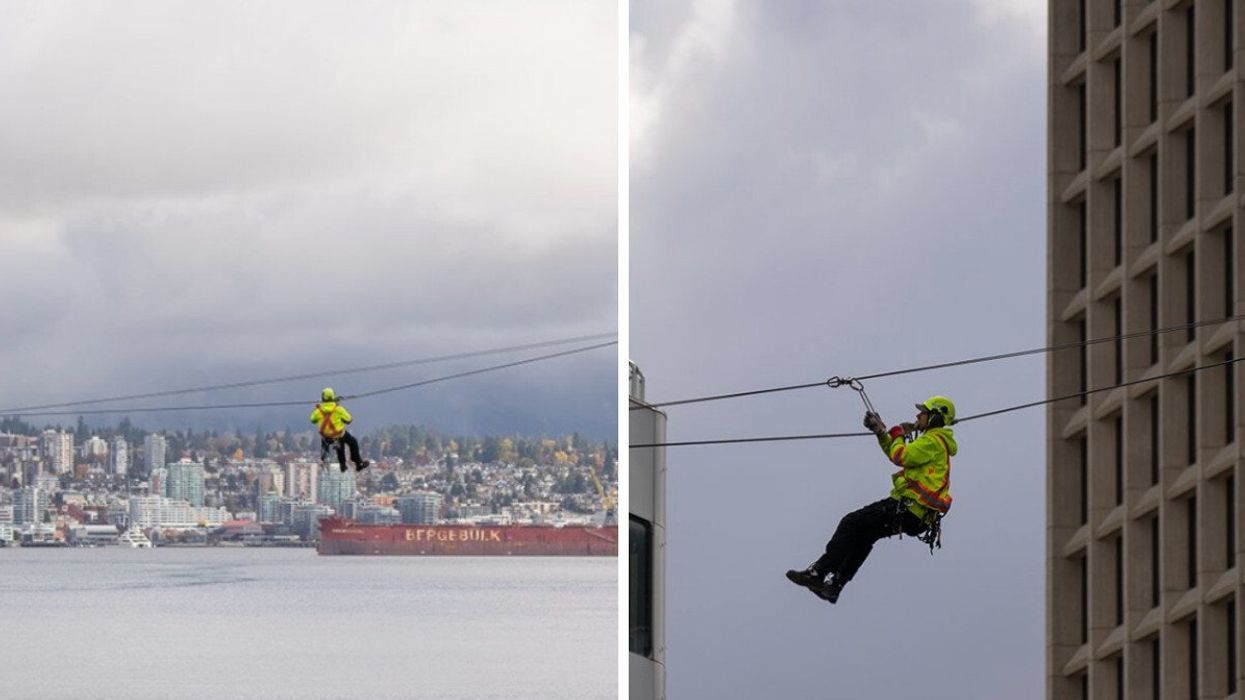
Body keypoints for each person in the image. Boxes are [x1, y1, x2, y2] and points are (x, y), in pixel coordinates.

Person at [785, 395, 957, 604]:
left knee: (851, 522)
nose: (918, 415)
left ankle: (818, 572)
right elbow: (895, 452)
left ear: (935, 417)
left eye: (923, 412)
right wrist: (881, 433)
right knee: (865, 534)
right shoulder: (934, 442)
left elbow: (900, 456)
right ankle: (834, 586)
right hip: (916, 515)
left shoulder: (933, 440)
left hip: (909, 508)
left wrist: (898, 433)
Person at [310, 387, 369, 473]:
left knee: (339, 444)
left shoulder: (319, 410)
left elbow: (312, 420)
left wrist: (317, 410)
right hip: (338, 434)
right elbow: (349, 419)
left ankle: (343, 465)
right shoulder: (338, 409)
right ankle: (358, 462)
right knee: (352, 442)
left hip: (326, 437)